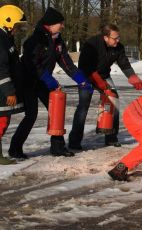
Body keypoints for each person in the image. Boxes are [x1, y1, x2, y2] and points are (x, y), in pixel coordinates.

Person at [8, 7, 93, 159]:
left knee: (56, 112)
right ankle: (15, 148)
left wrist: (81, 80)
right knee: (31, 115)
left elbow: (66, 63)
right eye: (60, 23)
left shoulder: (58, 40)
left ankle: (58, 147)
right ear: (50, 24)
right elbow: (33, 65)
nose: (62, 26)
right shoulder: (35, 40)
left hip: (42, 81)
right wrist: (50, 81)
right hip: (28, 81)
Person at [68, 24, 142, 150]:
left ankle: (111, 137)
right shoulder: (91, 45)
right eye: (115, 38)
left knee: (113, 101)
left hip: (104, 75)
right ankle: (74, 141)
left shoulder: (118, 47)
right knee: (83, 107)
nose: (118, 40)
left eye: (118, 37)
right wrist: (98, 81)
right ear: (105, 37)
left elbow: (124, 63)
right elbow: (85, 66)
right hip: (86, 77)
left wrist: (134, 78)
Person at [0, 5, 26, 164]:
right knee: (1, 122)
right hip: (2, 91)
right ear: (7, 23)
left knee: (4, 121)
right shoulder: (0, 40)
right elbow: (1, 69)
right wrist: (9, 91)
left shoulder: (5, 38)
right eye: (16, 26)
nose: (17, 29)